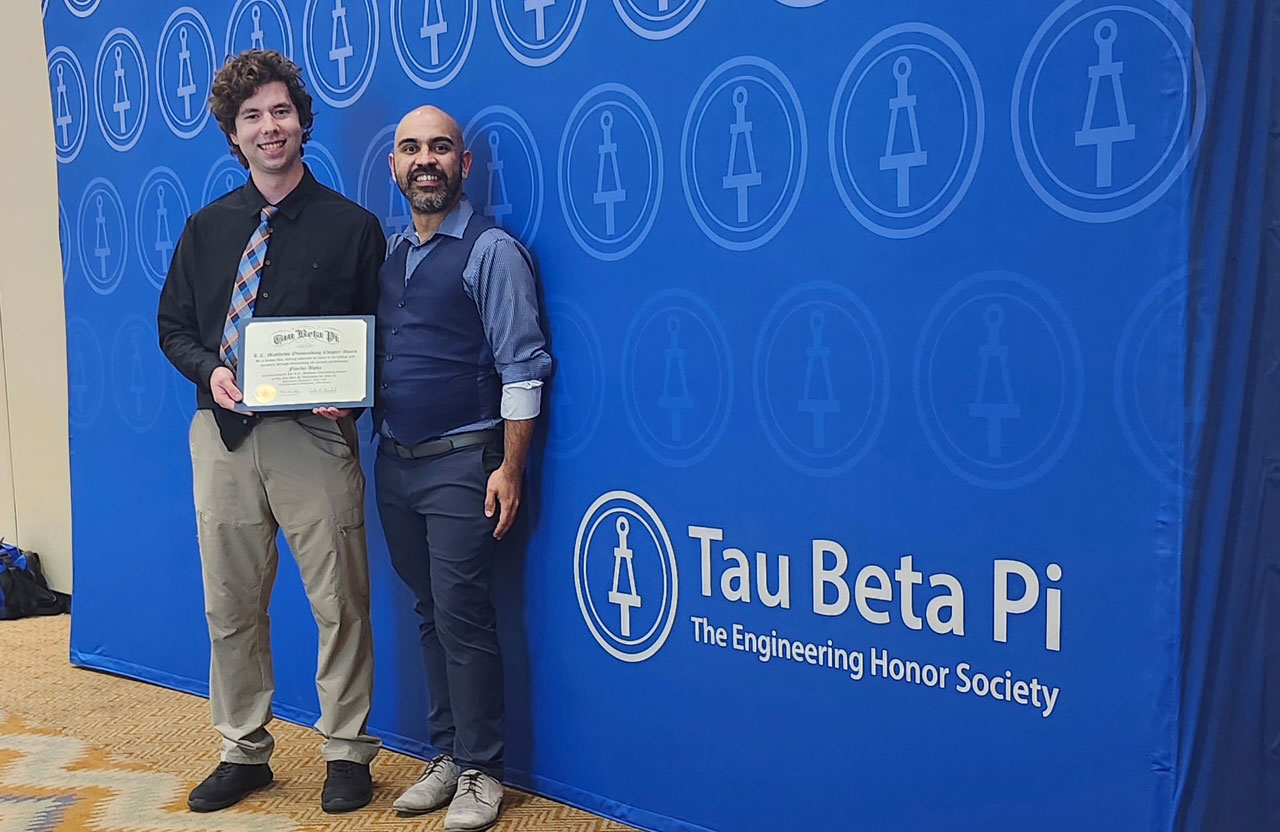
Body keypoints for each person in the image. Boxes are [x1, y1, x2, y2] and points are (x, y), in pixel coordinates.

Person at [156, 50, 385, 814]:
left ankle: (347, 751)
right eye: (251, 116)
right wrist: (208, 372)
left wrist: (352, 396)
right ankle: (243, 748)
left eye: (280, 112)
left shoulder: (352, 227)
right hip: (221, 437)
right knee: (230, 602)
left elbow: (377, 335)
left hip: (313, 441)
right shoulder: (206, 227)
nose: (268, 127)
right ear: (233, 131)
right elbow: (174, 328)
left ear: (302, 122)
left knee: (340, 599)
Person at [374, 106, 552, 832]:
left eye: (440, 148)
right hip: (394, 464)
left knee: (464, 617)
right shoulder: (389, 253)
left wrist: (509, 467)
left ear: (464, 164)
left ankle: (483, 770)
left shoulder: (492, 251)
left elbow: (523, 367)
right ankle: (447, 755)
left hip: (462, 463)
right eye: (411, 148)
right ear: (393, 166)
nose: (426, 159)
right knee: (429, 613)